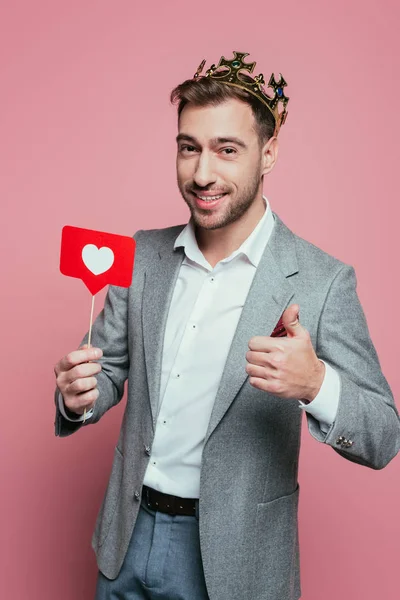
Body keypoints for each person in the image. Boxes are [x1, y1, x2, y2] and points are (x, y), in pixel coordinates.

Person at [54, 51, 400, 600]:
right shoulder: (141, 255)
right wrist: (78, 397)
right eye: (188, 147)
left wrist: (315, 385)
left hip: (236, 565)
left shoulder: (322, 281)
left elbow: (384, 435)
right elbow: (108, 372)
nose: (202, 173)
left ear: (269, 153)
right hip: (125, 542)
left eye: (227, 150)